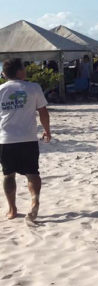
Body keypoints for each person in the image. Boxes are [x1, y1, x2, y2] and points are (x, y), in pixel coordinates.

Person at [0, 58, 51, 222]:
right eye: (24, 68)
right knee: (32, 173)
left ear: (4, 73)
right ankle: (34, 200)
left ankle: (12, 209)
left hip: (6, 139)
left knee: (8, 175)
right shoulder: (33, 87)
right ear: (19, 71)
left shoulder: (0, 90)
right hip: (28, 138)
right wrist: (47, 131)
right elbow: (43, 112)